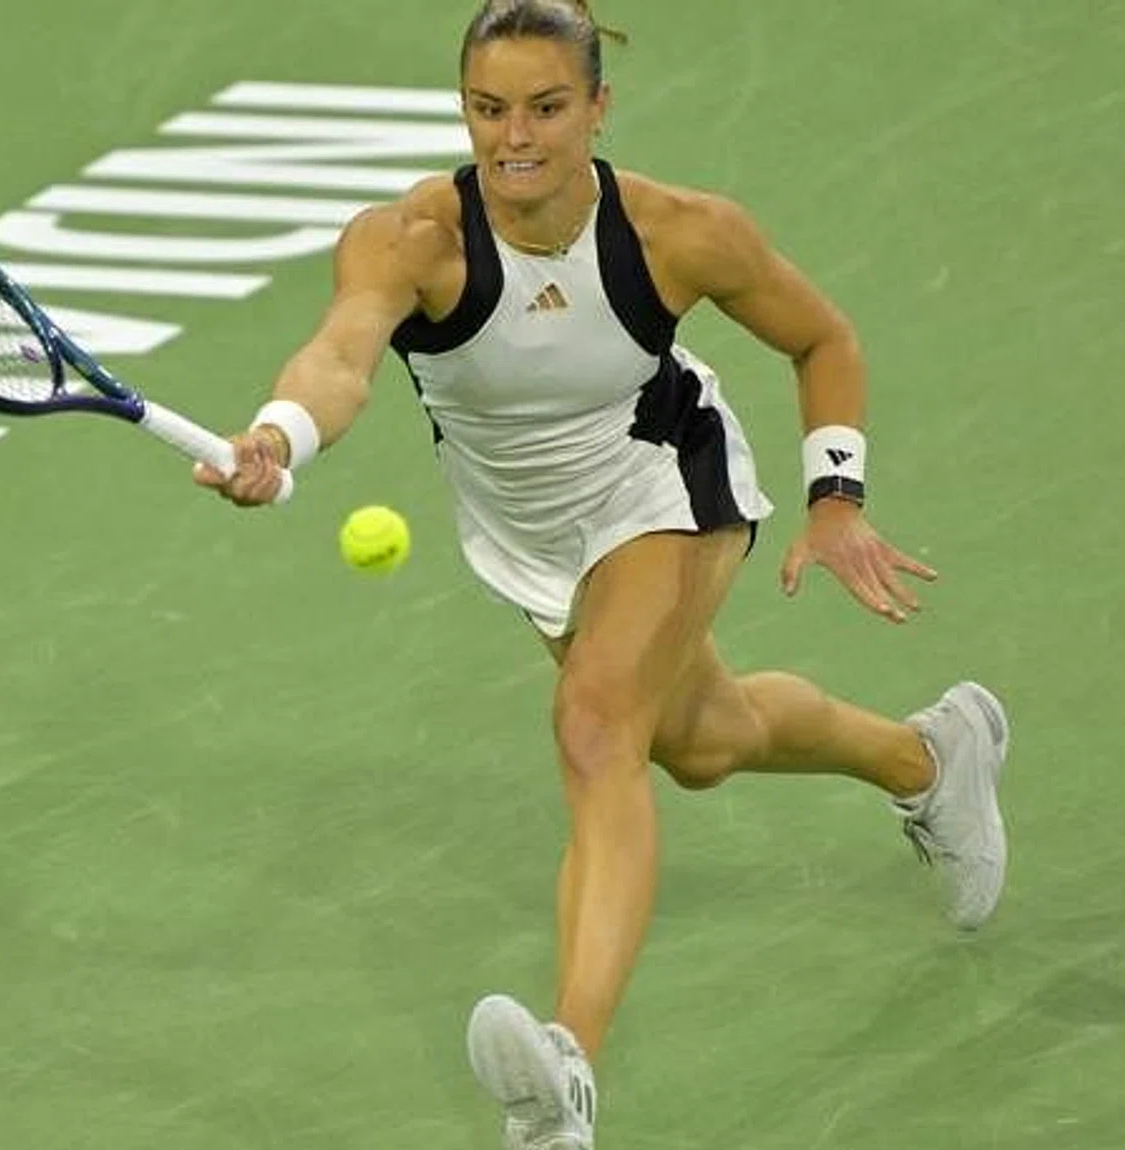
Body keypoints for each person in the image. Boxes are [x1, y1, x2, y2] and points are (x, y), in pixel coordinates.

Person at [195, 2, 1010, 1145]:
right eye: (487, 109)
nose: (512, 137)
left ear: (597, 107)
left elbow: (824, 339)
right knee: (701, 740)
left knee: (594, 730)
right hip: (530, 535)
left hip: (663, 481)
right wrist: (281, 435)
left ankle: (564, 1072)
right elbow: (340, 354)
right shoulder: (412, 239)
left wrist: (835, 498)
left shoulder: (679, 232)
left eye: (544, 107)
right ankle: (932, 758)